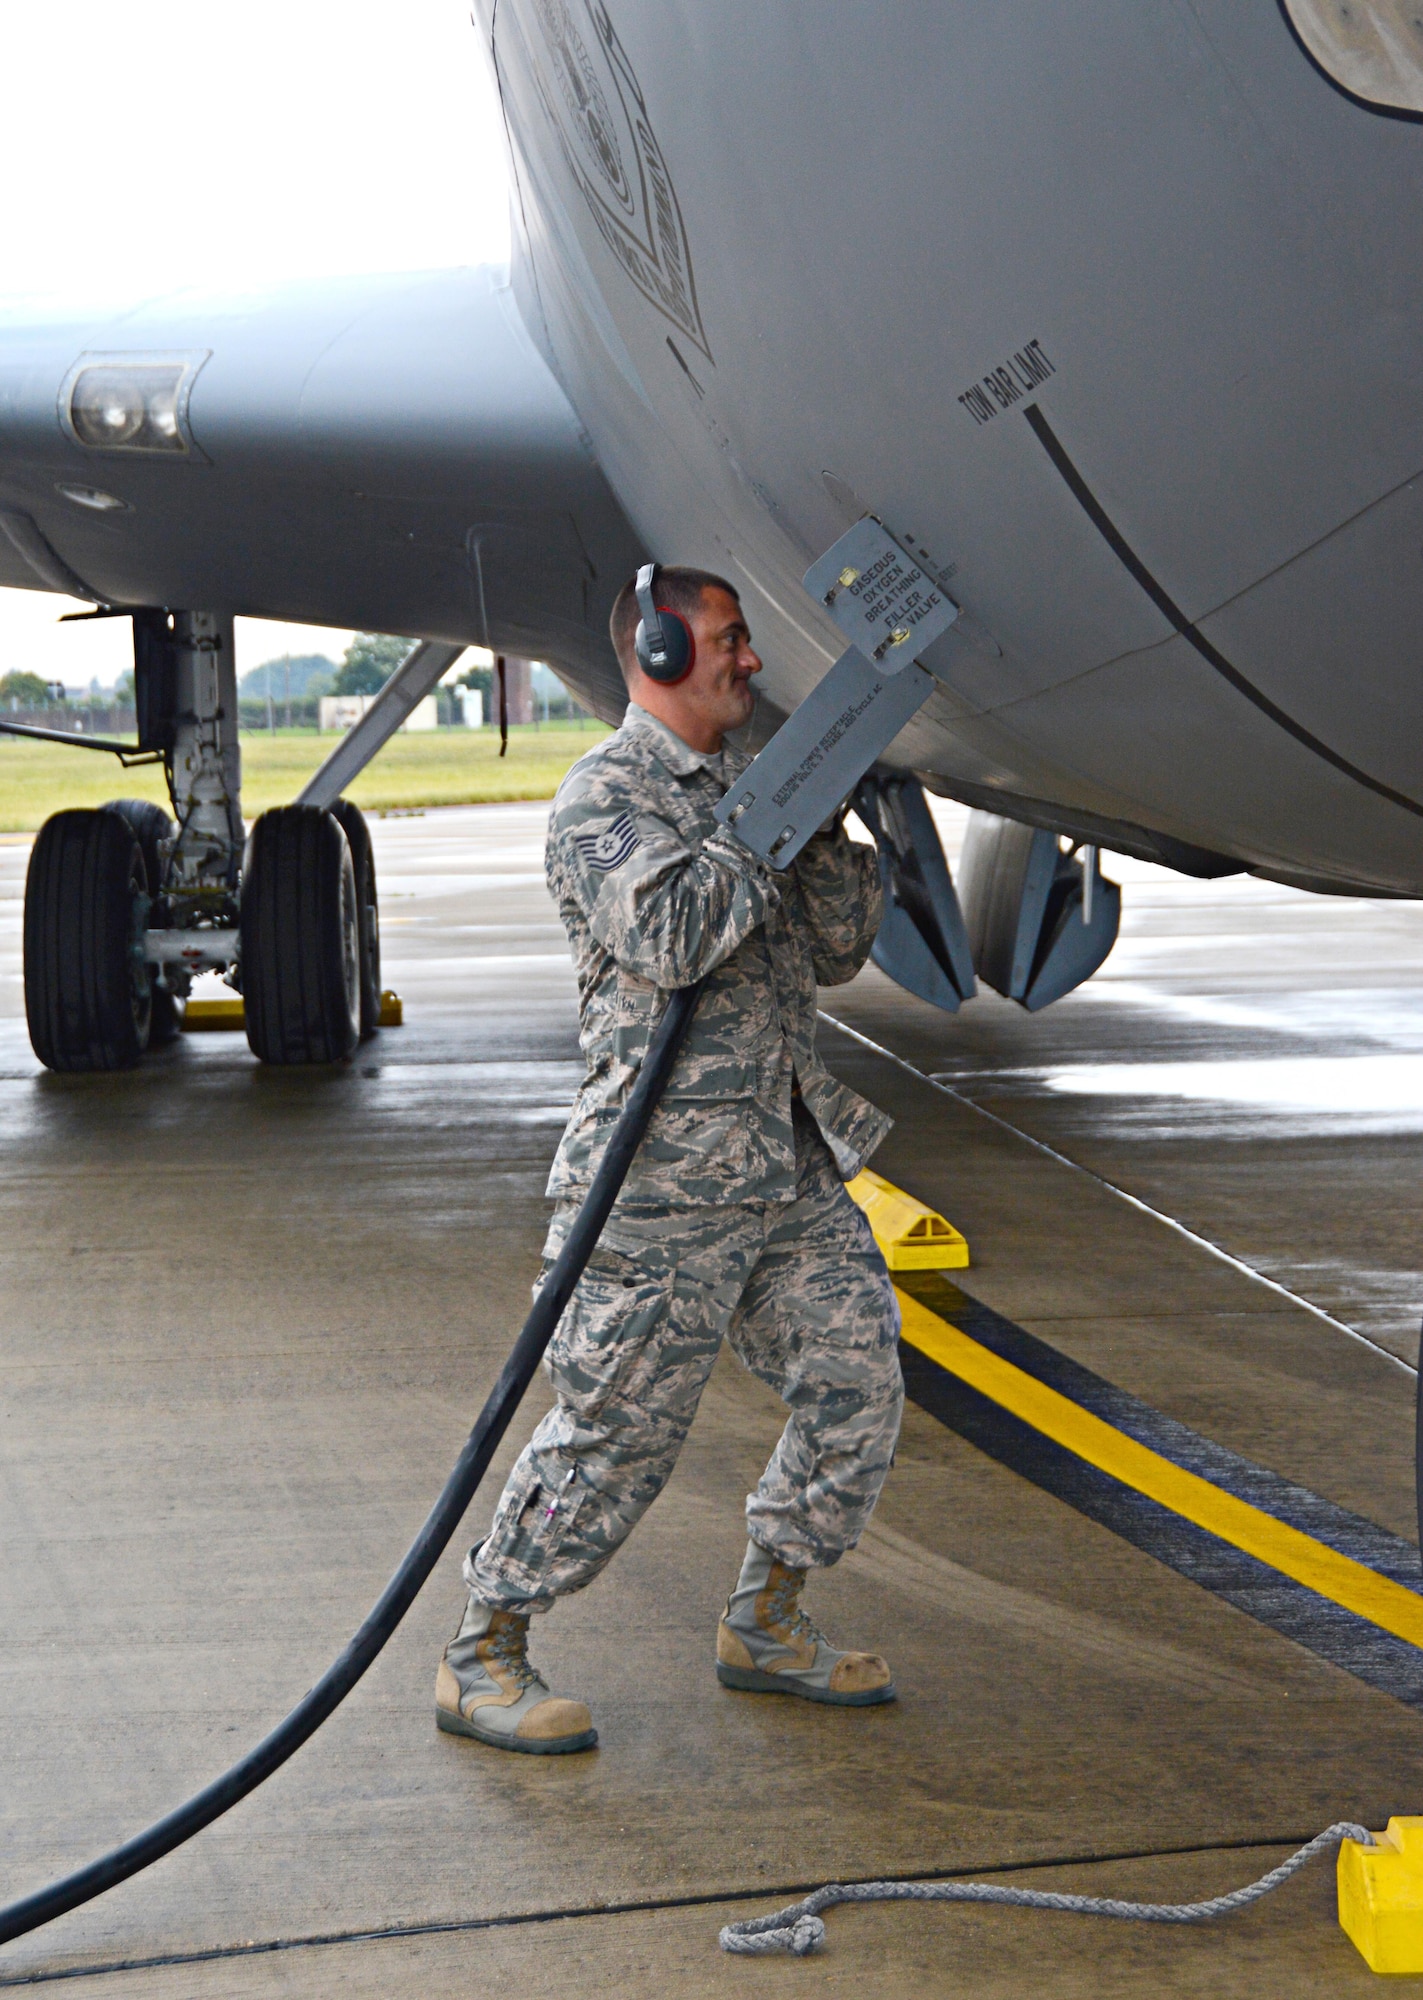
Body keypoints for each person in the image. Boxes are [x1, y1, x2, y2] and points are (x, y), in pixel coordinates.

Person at [435, 565, 904, 1755]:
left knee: (857, 1384)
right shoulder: (607, 797)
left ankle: (767, 1617)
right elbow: (674, 930)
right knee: (611, 1436)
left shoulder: (756, 788)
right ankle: (483, 1649)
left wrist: (836, 816)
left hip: (780, 1163)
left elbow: (842, 948)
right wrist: (769, 819)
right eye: (730, 640)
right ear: (655, 650)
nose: (752, 660)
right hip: (655, 1186)